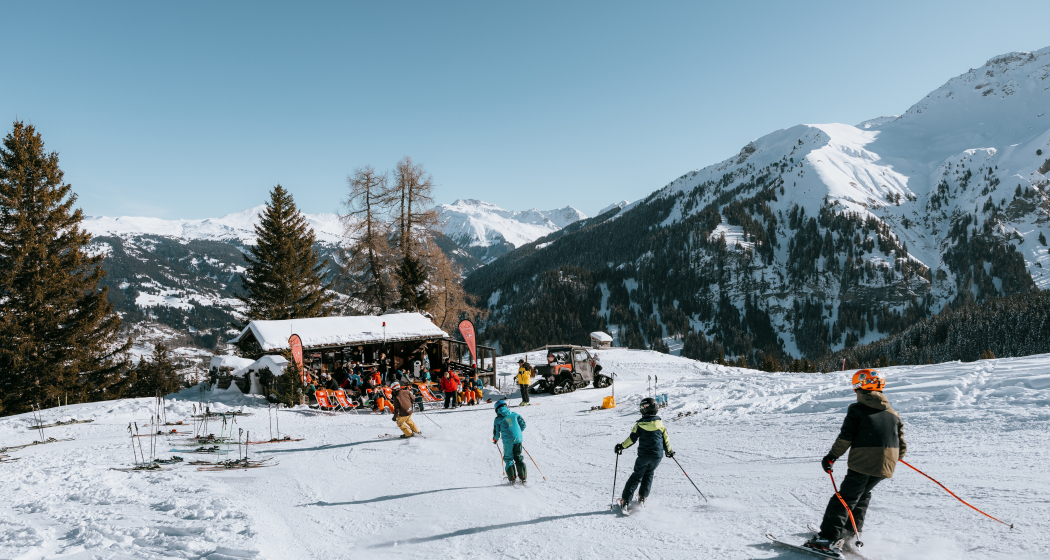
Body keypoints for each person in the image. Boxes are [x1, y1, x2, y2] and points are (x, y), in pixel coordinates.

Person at [804, 370, 906, 555]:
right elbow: (902, 445)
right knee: (862, 496)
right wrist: (889, 457)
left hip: (863, 462)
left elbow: (845, 438)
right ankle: (849, 535)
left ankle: (827, 539)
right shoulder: (893, 413)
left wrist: (831, 457)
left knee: (844, 499)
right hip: (886, 465)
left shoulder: (856, 409)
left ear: (858, 386)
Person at [614, 396, 673, 514]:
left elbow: (631, 439)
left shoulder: (640, 425)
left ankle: (625, 501)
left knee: (636, 476)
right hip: (657, 457)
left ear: (645, 409)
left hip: (644, 456)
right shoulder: (660, 424)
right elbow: (666, 440)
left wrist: (621, 446)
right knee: (649, 474)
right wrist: (669, 451)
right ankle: (642, 498)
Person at [492, 400, 527, 484]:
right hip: (518, 439)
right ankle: (523, 477)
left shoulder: (498, 419)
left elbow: (496, 433)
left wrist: (495, 439)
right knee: (518, 457)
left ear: (496, 410)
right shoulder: (515, 414)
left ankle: (512, 478)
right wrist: (517, 434)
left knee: (508, 458)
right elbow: (523, 425)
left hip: (508, 442)